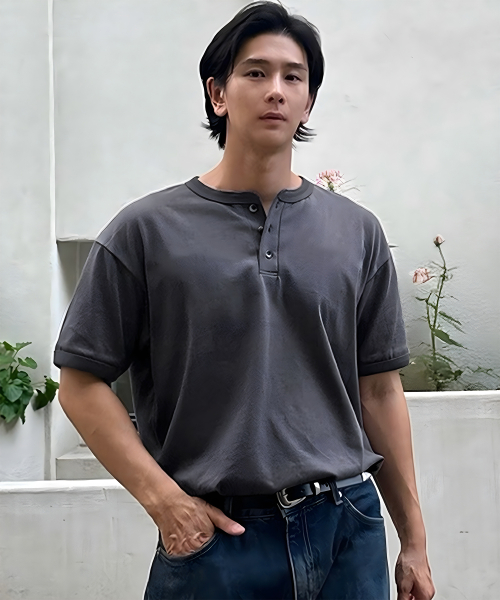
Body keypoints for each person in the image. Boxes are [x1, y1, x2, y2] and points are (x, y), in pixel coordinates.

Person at [54, 2, 436, 599]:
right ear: (218, 94)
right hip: (216, 541)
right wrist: (166, 502)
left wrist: (413, 540)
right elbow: (80, 383)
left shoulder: (356, 232)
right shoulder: (146, 231)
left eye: (293, 76)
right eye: (255, 72)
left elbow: (380, 391)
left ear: (309, 101)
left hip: (346, 530)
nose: (275, 89)